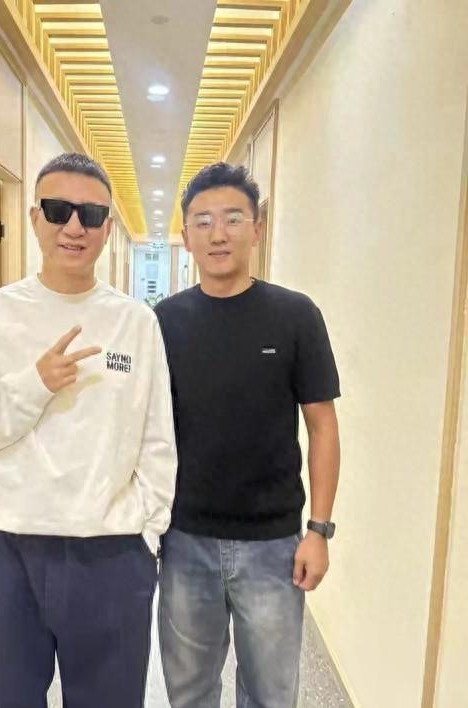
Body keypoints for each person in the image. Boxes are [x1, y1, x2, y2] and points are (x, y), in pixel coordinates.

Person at [0, 152, 177, 708]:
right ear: (35, 217)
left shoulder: (136, 322)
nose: (74, 227)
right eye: (59, 210)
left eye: (91, 214)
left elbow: (159, 440)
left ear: (108, 227)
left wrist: (146, 534)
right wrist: (31, 385)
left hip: (112, 553)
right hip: (4, 551)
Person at [154, 162, 341, 708]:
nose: (218, 233)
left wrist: (319, 530)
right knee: (189, 692)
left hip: (274, 545)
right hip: (184, 539)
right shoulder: (163, 322)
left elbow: (322, 426)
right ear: (186, 235)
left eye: (233, 218)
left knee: (270, 694)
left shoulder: (295, 316)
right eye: (203, 220)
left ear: (257, 228)